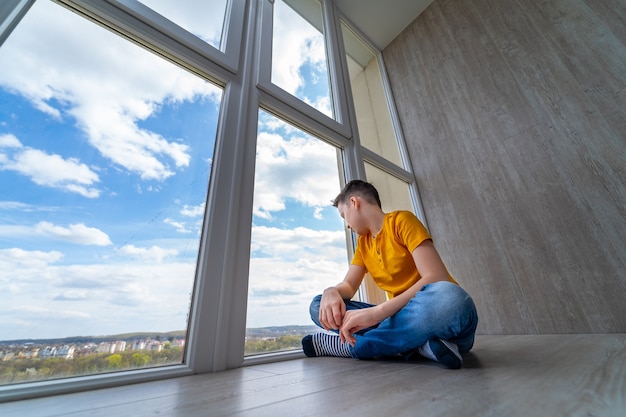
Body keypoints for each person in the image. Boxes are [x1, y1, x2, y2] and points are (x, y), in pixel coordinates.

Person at [302, 180, 478, 369]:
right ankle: (421, 346)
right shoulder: (363, 245)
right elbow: (349, 286)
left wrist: (377, 313)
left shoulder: (401, 221)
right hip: (400, 319)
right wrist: (332, 291)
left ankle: (351, 347)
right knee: (319, 304)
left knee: (452, 298)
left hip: (441, 315)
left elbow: (436, 276)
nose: (347, 226)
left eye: (344, 216)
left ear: (354, 202)